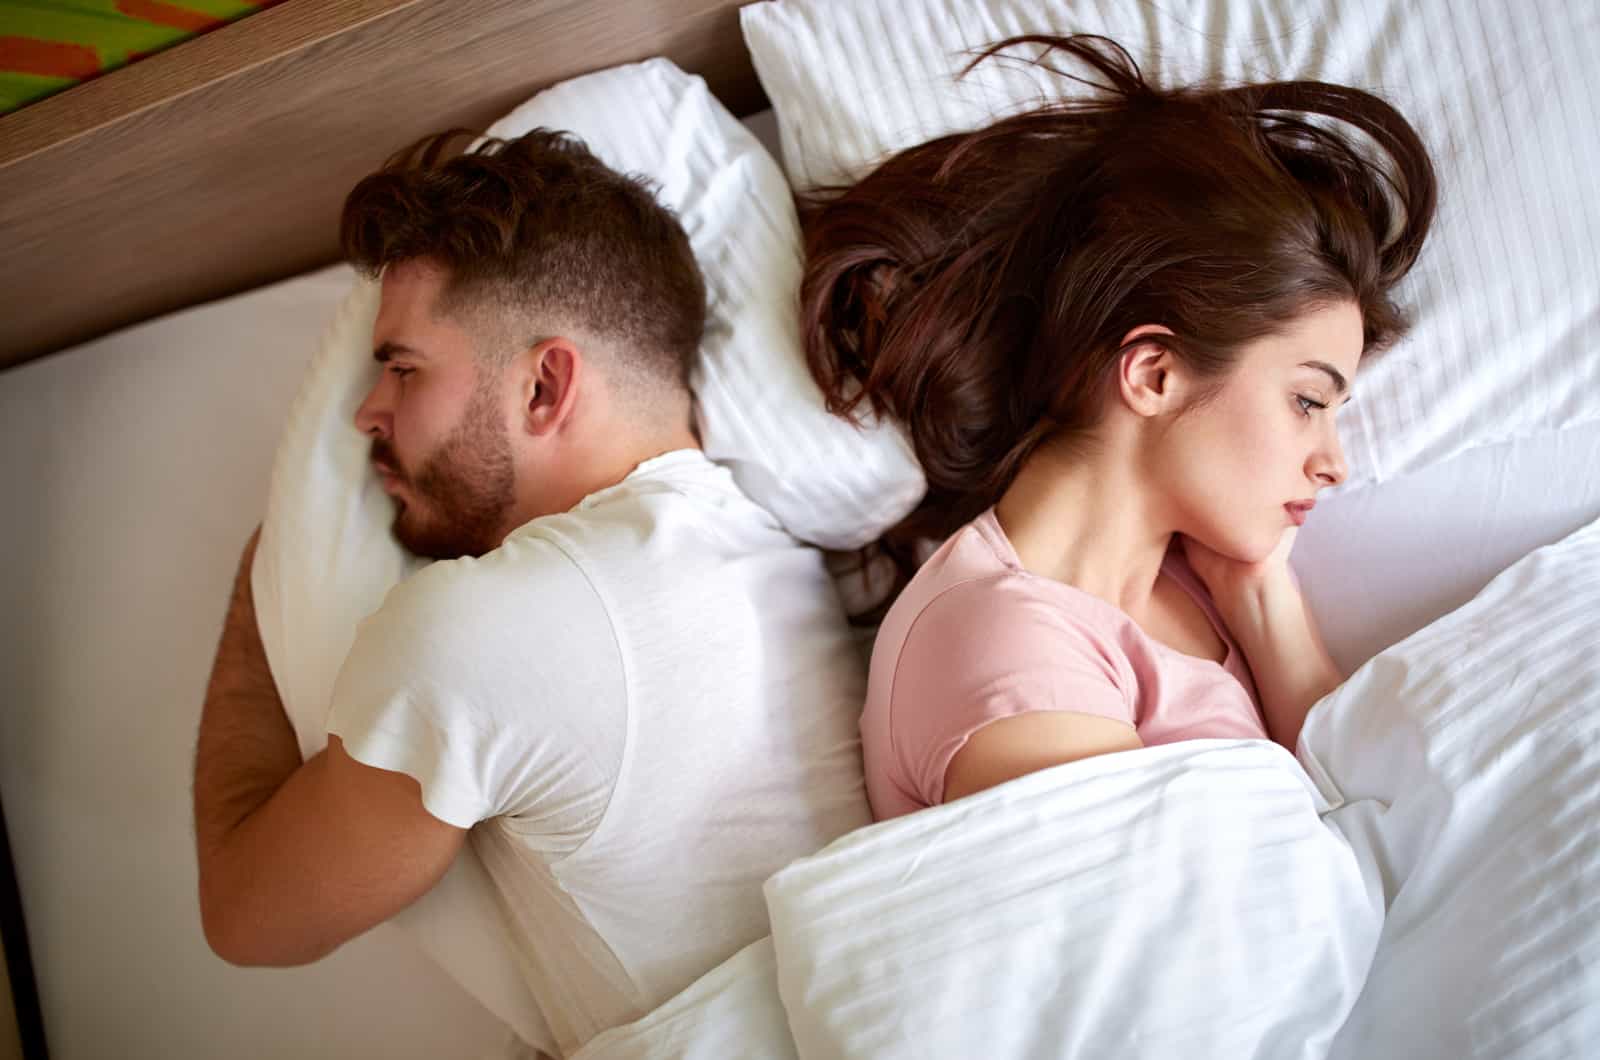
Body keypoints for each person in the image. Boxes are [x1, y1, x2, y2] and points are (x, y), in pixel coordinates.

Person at [193, 128, 869, 1055]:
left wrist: (268, 561)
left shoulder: (490, 629)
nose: (364, 413)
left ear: (546, 383)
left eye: (401, 368)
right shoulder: (780, 556)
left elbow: (247, 915)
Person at [799, 35, 1437, 820]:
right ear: (1153, 375)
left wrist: (1262, 604)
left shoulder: (1190, 586)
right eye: (1308, 402)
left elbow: (1392, 817)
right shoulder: (1004, 646)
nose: (1333, 463)